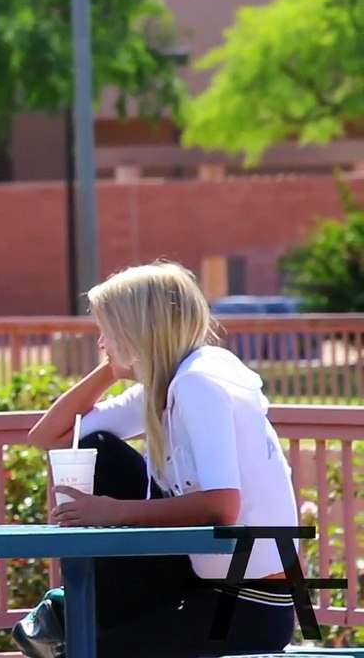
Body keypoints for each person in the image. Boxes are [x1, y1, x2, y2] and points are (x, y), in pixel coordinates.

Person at [20, 260, 299, 658]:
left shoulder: (199, 384)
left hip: (248, 605)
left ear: (137, 331)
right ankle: (83, 609)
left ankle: (80, 611)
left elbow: (222, 506)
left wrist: (111, 511)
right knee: (100, 446)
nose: (101, 342)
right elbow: (50, 436)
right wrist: (112, 370)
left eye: (109, 331)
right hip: (202, 586)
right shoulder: (167, 381)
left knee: (86, 651)